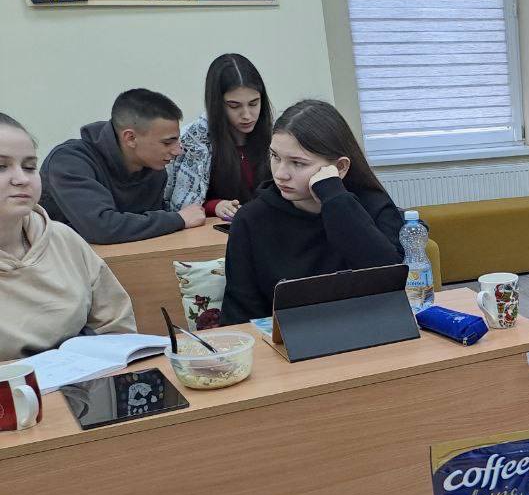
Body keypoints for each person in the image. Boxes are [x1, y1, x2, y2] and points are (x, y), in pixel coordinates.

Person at [221, 100, 405, 325]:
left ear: (340, 167)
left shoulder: (373, 205)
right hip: (283, 341)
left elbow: (391, 282)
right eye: (275, 156)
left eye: (298, 163)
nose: (280, 174)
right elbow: (239, 314)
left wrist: (335, 200)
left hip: (371, 330)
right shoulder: (252, 219)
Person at [0, 113, 135, 362]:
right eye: (1, 167)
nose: (21, 179)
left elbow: (116, 326)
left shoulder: (63, 238)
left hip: (85, 378)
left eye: (29, 167)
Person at [40, 89, 205, 244]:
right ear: (130, 138)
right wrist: (178, 219)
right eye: (167, 142)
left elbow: (148, 233)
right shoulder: (69, 162)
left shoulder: (154, 168)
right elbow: (102, 227)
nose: (178, 151)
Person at [165, 54, 273, 221]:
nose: (247, 115)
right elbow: (182, 207)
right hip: (216, 231)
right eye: (234, 106)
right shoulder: (194, 142)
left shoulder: (275, 137)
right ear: (217, 104)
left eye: (254, 103)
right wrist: (216, 206)